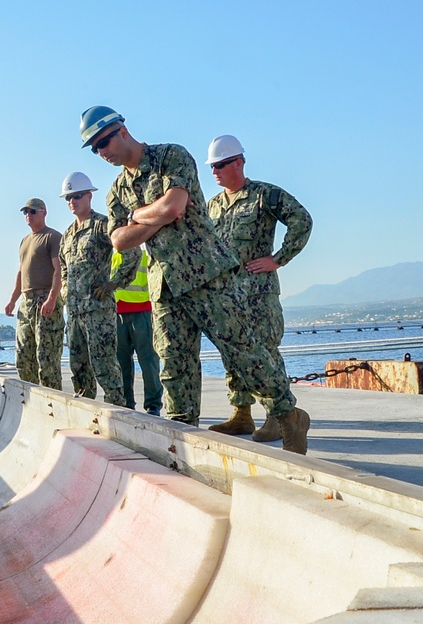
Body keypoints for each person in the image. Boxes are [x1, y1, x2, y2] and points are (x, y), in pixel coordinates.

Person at [80, 105, 310, 454]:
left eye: (104, 141)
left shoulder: (172, 156)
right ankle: (181, 438)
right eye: (95, 148)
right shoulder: (116, 191)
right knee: (174, 365)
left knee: (244, 353)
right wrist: (154, 216)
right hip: (165, 286)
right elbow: (118, 240)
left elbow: (174, 206)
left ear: (122, 130)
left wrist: (137, 217)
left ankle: (287, 415)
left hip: (207, 274)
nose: (102, 152)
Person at [205, 135, 313, 442]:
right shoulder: (210, 207)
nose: (215, 172)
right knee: (231, 353)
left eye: (221, 165)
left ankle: (277, 417)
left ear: (238, 162)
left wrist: (279, 259)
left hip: (258, 293)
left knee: (265, 353)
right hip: (226, 296)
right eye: (212, 166)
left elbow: (302, 220)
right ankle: (241, 415)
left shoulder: (264, 195)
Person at [58, 172, 139, 404]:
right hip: (74, 313)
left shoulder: (102, 226)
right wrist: (65, 289)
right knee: (79, 366)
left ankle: (118, 409)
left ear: (89, 196)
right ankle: (86, 410)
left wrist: (114, 282)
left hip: (97, 310)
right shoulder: (68, 236)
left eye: (77, 196)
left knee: (104, 364)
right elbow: (63, 266)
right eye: (68, 198)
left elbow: (131, 251)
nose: (72, 201)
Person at [5, 198, 64, 390]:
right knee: (23, 357)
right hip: (27, 301)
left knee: (47, 359)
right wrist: (13, 300)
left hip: (45, 299)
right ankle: (30, 399)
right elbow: (21, 272)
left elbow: (58, 270)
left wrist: (52, 299)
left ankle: (53, 402)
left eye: (32, 211)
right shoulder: (24, 241)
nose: (28, 215)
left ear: (43, 213)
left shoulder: (52, 237)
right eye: (25, 212)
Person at [111, 249, 164, 415]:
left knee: (148, 361)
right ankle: (126, 403)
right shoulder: (111, 254)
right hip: (117, 311)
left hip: (142, 310)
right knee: (121, 362)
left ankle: (153, 405)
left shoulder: (143, 252)